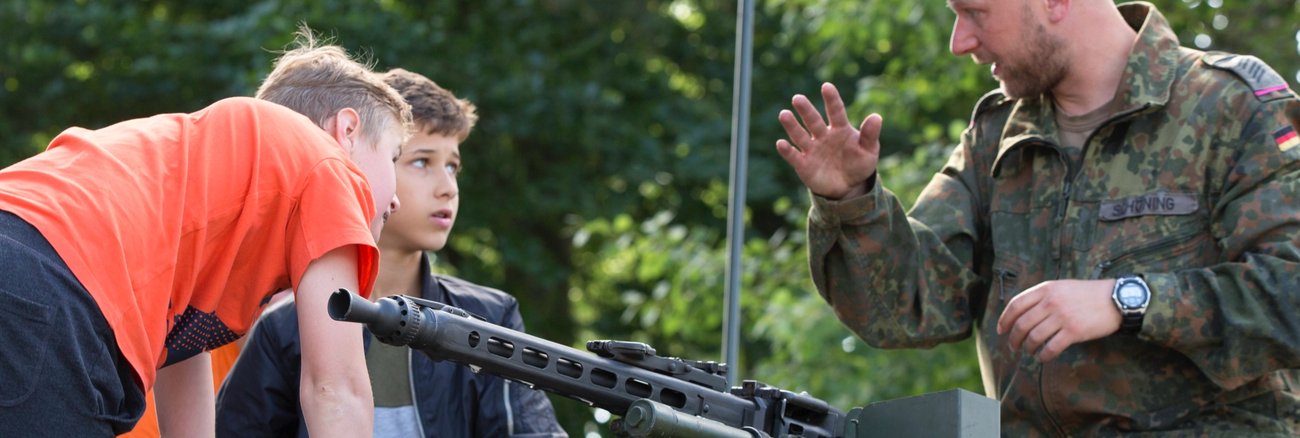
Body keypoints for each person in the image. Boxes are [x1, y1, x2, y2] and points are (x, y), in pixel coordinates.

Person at [776, 0, 1300, 435]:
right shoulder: (998, 137)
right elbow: (909, 306)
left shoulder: (1230, 107)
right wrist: (851, 200)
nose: (960, 41)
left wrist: (1128, 300)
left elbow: (1290, 296)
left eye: (975, 12)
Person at [0, 31, 411, 437]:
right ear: (347, 130)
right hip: (52, 285)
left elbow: (182, 346)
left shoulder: (207, 175)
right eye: (394, 157)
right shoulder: (328, 166)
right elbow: (335, 389)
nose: (395, 202)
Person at [216, 68, 569, 437]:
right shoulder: (282, 327)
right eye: (420, 161)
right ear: (358, 152)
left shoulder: (490, 317)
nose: (448, 187)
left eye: (453, 166)